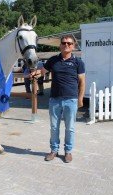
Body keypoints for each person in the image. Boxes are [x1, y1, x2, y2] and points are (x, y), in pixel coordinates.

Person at [31, 35, 85, 163]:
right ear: (60, 45)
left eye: (69, 43)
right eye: (64, 43)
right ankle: (54, 150)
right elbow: (42, 71)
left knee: (70, 127)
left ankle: (68, 152)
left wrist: (80, 98)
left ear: (73, 46)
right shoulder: (53, 60)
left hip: (71, 100)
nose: (66, 45)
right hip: (55, 100)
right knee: (54, 127)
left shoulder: (78, 62)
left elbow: (82, 81)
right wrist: (35, 73)